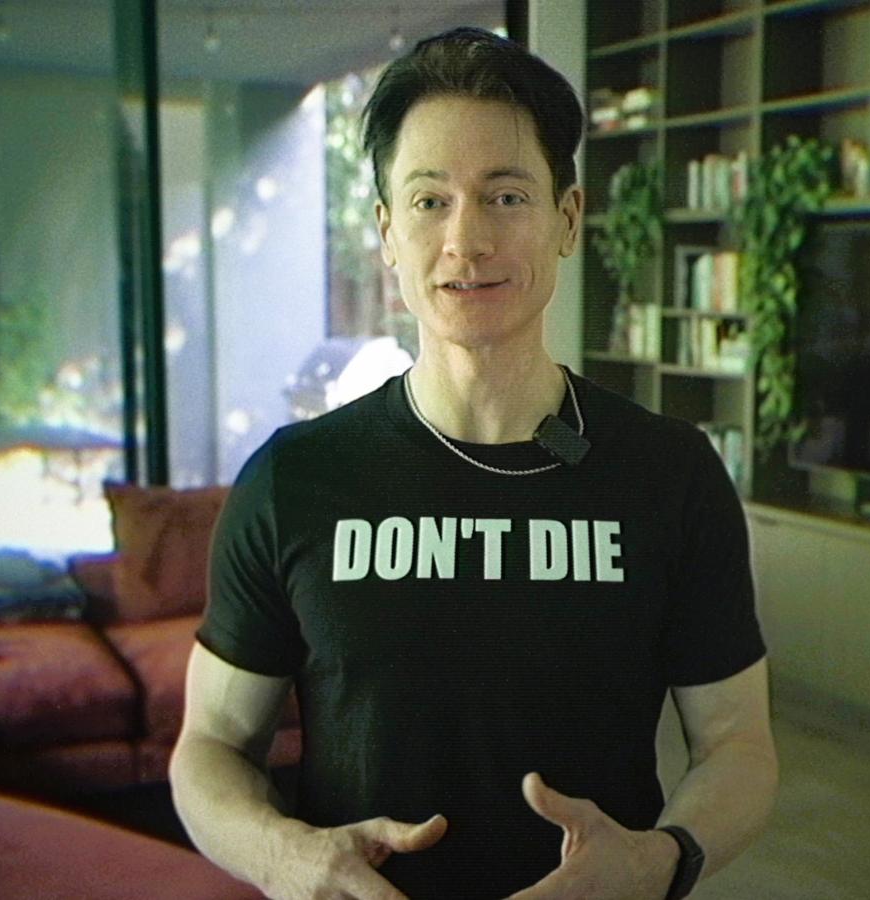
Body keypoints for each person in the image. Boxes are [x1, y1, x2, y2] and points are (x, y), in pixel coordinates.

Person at [170, 26, 778, 900]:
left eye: (506, 196)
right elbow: (210, 747)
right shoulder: (292, 480)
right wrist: (284, 857)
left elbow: (738, 746)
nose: (467, 239)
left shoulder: (671, 473)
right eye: (428, 202)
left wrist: (658, 861)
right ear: (385, 232)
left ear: (566, 219)